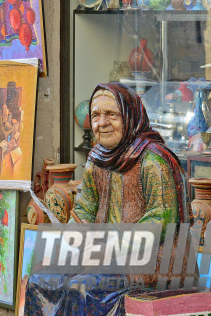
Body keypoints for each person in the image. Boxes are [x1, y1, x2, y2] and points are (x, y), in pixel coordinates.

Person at [69, 82, 190, 229]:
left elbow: (162, 218)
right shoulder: (95, 161)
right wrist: (76, 228)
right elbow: (85, 208)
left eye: (112, 114)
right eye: (95, 115)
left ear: (130, 116)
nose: (102, 123)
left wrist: (119, 243)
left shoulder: (152, 160)